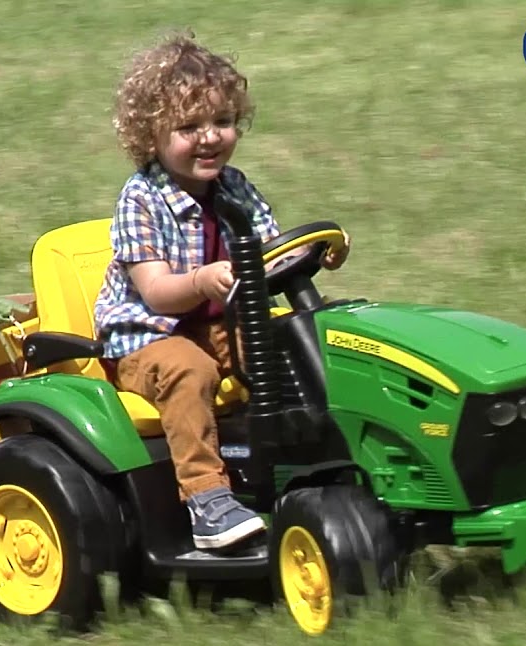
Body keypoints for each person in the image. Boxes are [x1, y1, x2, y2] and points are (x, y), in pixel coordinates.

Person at [93, 32, 347, 551]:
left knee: (306, 339)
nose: (209, 138)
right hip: (146, 340)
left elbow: (274, 247)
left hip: (222, 324)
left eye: (222, 123)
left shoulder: (234, 186)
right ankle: (207, 499)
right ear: (151, 136)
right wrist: (202, 279)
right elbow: (157, 292)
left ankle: (319, 455)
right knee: (191, 370)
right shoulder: (141, 200)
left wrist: (315, 255)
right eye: (188, 127)